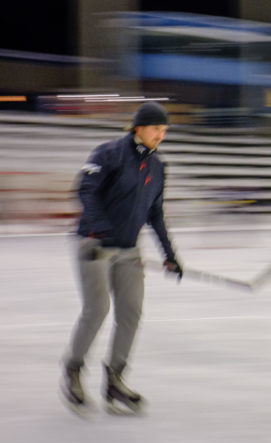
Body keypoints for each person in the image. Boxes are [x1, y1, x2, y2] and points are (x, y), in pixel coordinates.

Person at [61, 101, 183, 411]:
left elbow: (155, 213)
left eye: (164, 130)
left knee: (131, 312)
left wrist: (170, 255)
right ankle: (73, 370)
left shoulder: (158, 167)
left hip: (128, 250)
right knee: (97, 309)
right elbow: (85, 189)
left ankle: (114, 380)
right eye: (156, 128)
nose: (161, 135)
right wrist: (99, 229)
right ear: (138, 127)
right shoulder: (109, 153)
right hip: (94, 245)